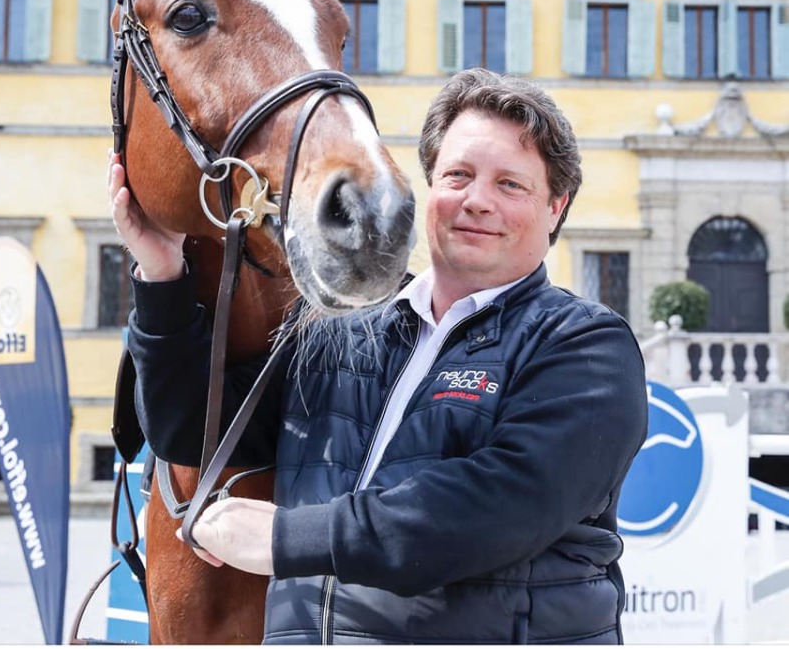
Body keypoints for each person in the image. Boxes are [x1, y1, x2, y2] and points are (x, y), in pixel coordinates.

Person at [109, 68, 648, 644]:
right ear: (430, 187)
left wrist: (285, 539)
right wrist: (161, 274)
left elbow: (500, 508)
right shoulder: (336, 326)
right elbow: (192, 431)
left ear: (556, 208)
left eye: (510, 185)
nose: (477, 202)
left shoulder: (585, 345)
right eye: (458, 175)